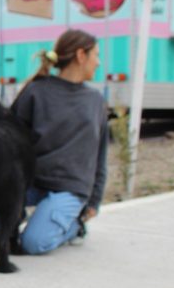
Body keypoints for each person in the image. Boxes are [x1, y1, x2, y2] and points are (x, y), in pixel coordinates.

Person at [10, 29, 108, 253]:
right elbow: (10, 140)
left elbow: (100, 155)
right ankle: (37, 217)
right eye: (96, 55)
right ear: (81, 55)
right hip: (31, 182)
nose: (98, 62)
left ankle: (75, 225)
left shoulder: (95, 101)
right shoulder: (35, 91)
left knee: (34, 243)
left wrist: (94, 201)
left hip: (70, 187)